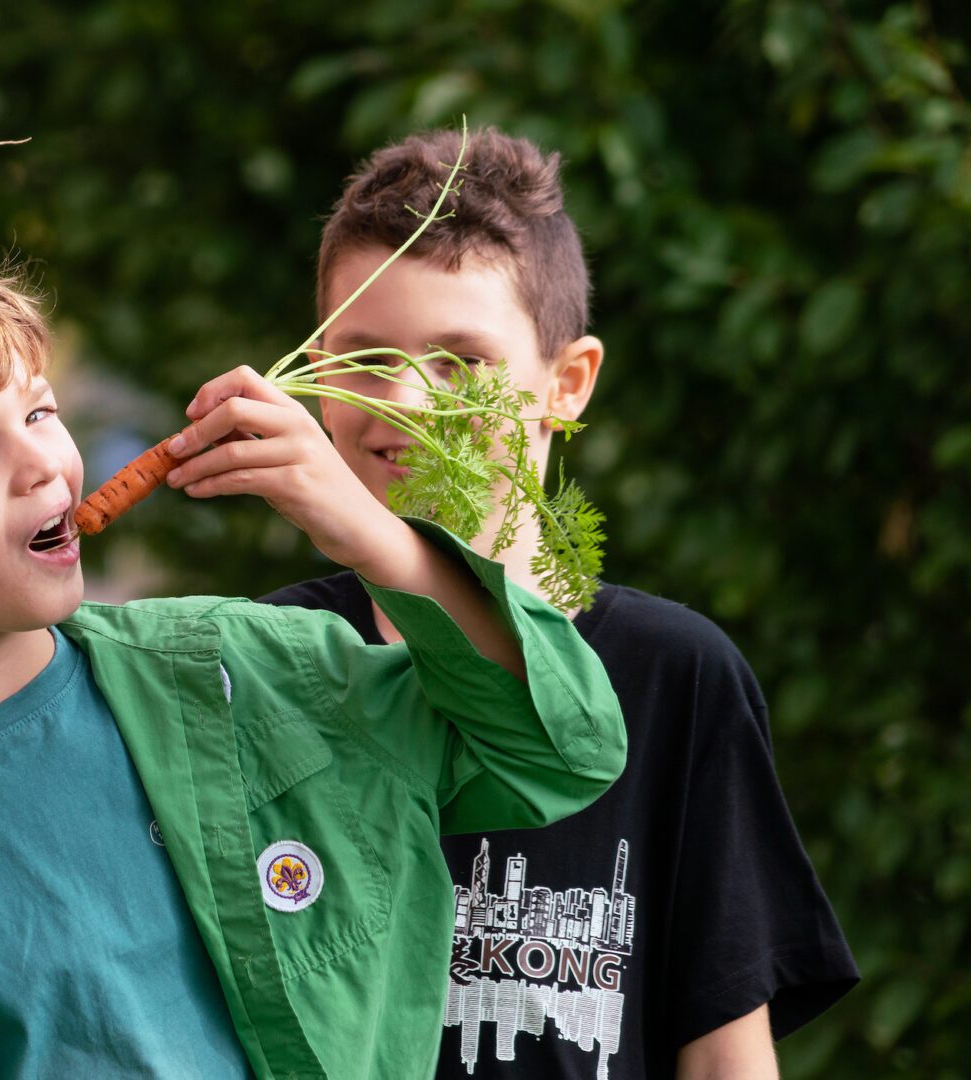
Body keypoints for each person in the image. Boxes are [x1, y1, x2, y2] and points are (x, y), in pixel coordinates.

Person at [0, 244, 627, 1077]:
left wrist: (376, 539)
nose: (44, 465)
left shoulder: (246, 673)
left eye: (40, 412)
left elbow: (559, 751)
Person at [259, 127, 858, 1079]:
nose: (409, 399)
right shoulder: (271, 655)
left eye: (462, 361)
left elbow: (724, 1056)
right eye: (364, 358)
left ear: (566, 383)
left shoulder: (676, 676)